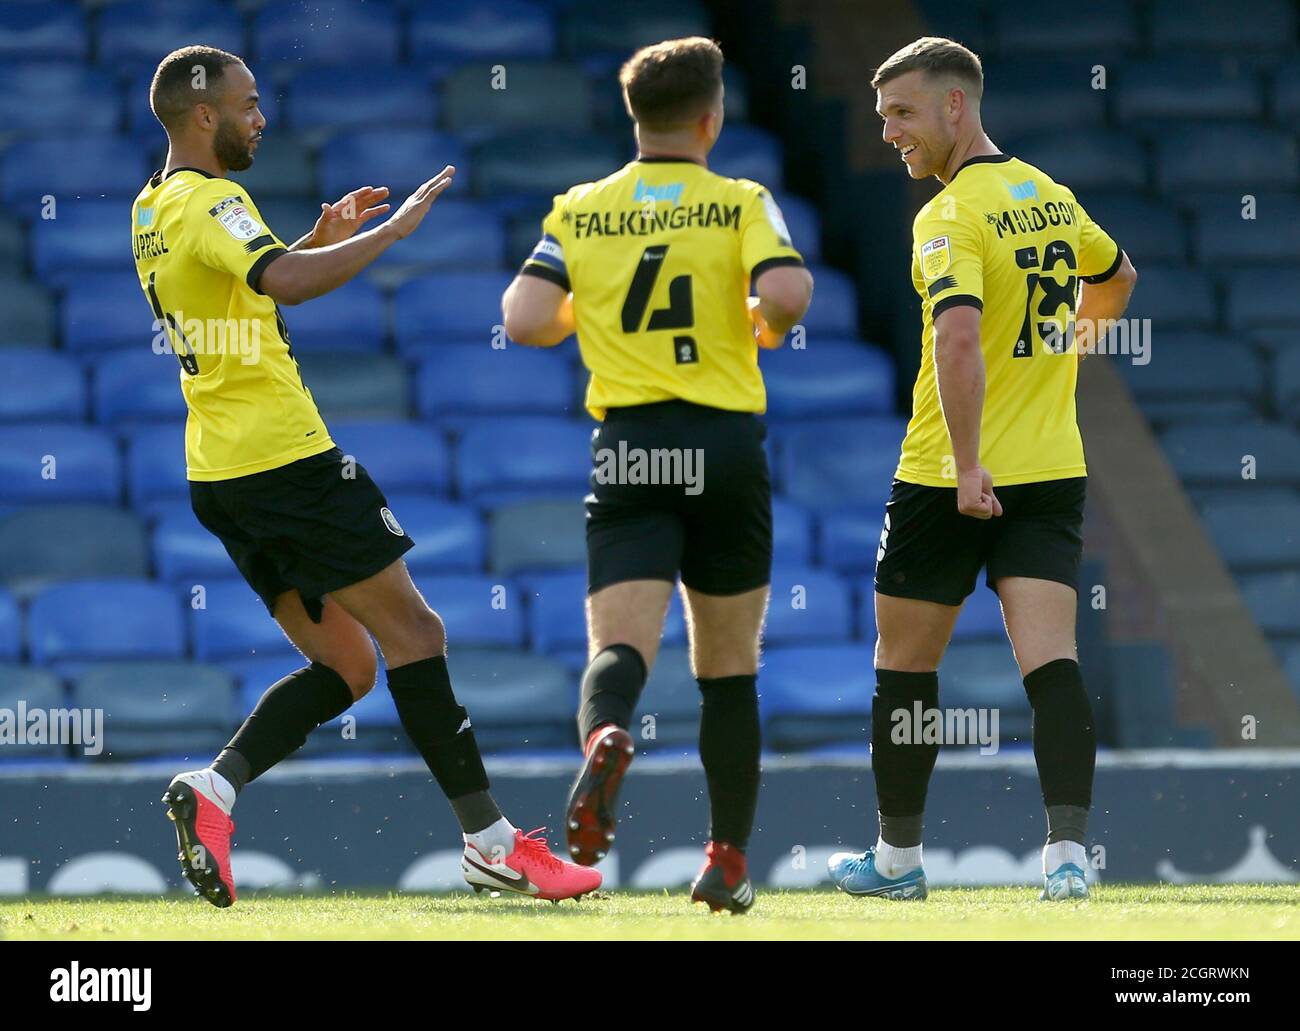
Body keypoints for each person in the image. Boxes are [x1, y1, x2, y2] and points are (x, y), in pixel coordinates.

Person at [132, 45, 599, 907]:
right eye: (247, 103)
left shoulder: (152, 209)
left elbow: (242, 290)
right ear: (204, 115)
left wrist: (314, 239)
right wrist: (389, 236)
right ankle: (493, 843)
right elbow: (285, 285)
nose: (259, 117)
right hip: (287, 461)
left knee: (347, 667)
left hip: (220, 472)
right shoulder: (216, 199)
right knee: (415, 633)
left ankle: (215, 790)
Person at [501, 37, 813, 913]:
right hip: (722, 445)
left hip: (631, 446)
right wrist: (759, 316)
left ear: (634, 116)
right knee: (727, 670)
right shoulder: (740, 200)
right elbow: (786, 296)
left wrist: (588, 312)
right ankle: (726, 859)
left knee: (618, 647)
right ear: (711, 118)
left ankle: (607, 733)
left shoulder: (583, 207)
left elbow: (524, 319)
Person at [827, 37, 1137, 902]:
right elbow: (1115, 279)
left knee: (904, 668)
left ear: (955, 107)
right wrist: (1065, 352)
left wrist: (967, 466)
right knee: (1053, 665)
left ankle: (896, 862)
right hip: (1049, 470)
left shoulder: (948, 215)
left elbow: (957, 337)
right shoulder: (1046, 194)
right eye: (884, 115)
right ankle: (1068, 858)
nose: (890, 132)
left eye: (903, 113)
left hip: (944, 476)